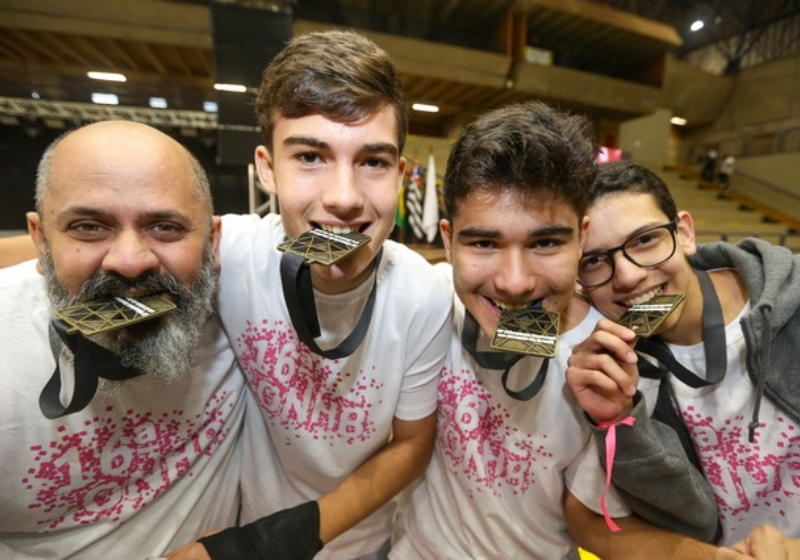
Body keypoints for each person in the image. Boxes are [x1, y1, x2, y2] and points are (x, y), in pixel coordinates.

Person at [390, 101, 733, 559]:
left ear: (581, 236)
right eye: (485, 243)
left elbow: (593, 515)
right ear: (448, 241)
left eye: (546, 242)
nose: (514, 282)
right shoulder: (423, 299)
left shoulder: (614, 360)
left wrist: (620, 421)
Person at [168, 30, 452, 560]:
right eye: (310, 157)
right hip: (243, 525)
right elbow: (105, 243)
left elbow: (412, 445)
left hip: (357, 543)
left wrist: (280, 541)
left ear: (399, 173)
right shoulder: (235, 252)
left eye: (373, 162)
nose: (343, 198)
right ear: (266, 168)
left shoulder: (421, 293)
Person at [0, 121, 246, 559]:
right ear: (40, 241)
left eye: (165, 227)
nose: (130, 262)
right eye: (89, 227)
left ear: (213, 243)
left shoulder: (240, 313)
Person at [567, 160, 800, 556]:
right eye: (594, 260)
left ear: (685, 233)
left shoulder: (790, 306)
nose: (626, 276)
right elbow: (586, 518)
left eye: (644, 240)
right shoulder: (607, 363)